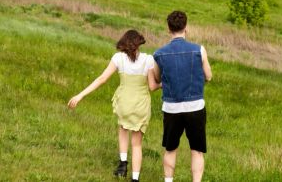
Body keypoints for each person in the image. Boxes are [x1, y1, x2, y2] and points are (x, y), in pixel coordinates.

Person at [68, 30, 161, 182]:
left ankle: (122, 165)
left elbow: (102, 78)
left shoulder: (118, 58)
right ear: (139, 44)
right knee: (137, 144)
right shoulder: (148, 60)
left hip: (124, 102)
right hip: (140, 105)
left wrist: (80, 95)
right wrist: (162, 84)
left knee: (123, 129)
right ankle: (135, 179)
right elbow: (152, 86)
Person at [150, 11, 213, 182]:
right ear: (186, 27)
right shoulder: (199, 50)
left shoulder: (159, 54)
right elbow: (208, 76)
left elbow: (156, 78)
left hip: (171, 108)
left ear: (168, 29)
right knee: (197, 150)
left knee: (171, 149)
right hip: (195, 107)